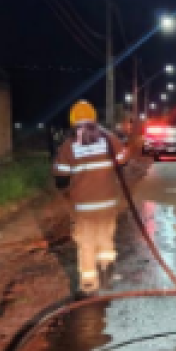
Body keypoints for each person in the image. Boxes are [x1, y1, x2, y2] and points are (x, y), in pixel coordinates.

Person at [52, 101, 128, 293]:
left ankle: (88, 283)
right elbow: (123, 161)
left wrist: (66, 188)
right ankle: (106, 272)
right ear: (94, 119)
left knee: (86, 243)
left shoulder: (69, 145)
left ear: (73, 122)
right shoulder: (109, 139)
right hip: (108, 203)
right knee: (105, 236)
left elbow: (61, 175)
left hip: (83, 207)